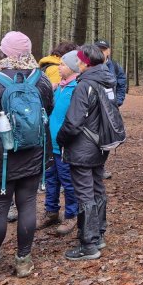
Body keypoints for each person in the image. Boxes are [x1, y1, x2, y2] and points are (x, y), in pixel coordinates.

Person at [0, 31, 54, 283]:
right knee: (27, 205)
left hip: (0, 158)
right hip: (35, 154)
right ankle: (23, 262)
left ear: (2, 52)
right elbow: (49, 109)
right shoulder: (42, 80)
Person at [57, 44, 118, 260]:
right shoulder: (106, 81)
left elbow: (73, 122)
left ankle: (89, 243)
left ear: (85, 63)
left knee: (85, 193)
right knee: (97, 188)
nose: (78, 63)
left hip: (83, 146)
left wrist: (60, 138)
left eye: (80, 60)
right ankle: (99, 233)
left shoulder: (85, 86)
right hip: (100, 145)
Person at [41, 50, 81, 235]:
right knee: (51, 179)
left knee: (68, 181)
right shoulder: (58, 87)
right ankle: (51, 212)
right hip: (51, 145)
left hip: (66, 146)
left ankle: (72, 215)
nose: (59, 67)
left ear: (73, 68)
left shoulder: (77, 89)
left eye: (63, 64)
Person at [96, 39, 126, 180]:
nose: (102, 51)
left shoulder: (114, 66)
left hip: (110, 110)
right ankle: (94, 167)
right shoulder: (90, 65)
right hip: (94, 108)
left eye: (104, 49)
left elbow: (121, 83)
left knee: (107, 136)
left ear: (109, 50)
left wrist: (117, 101)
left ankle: (100, 167)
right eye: (99, 49)